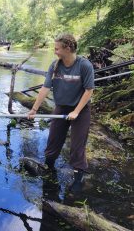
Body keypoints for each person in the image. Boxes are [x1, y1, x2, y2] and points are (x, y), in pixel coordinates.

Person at [27, 33, 94, 192]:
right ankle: (48, 167)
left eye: (57, 48)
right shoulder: (55, 66)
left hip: (81, 110)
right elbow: (45, 88)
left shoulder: (84, 65)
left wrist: (76, 112)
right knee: (53, 141)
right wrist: (34, 109)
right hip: (61, 107)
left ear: (68, 48)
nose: (55, 51)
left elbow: (89, 90)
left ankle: (78, 178)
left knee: (77, 145)